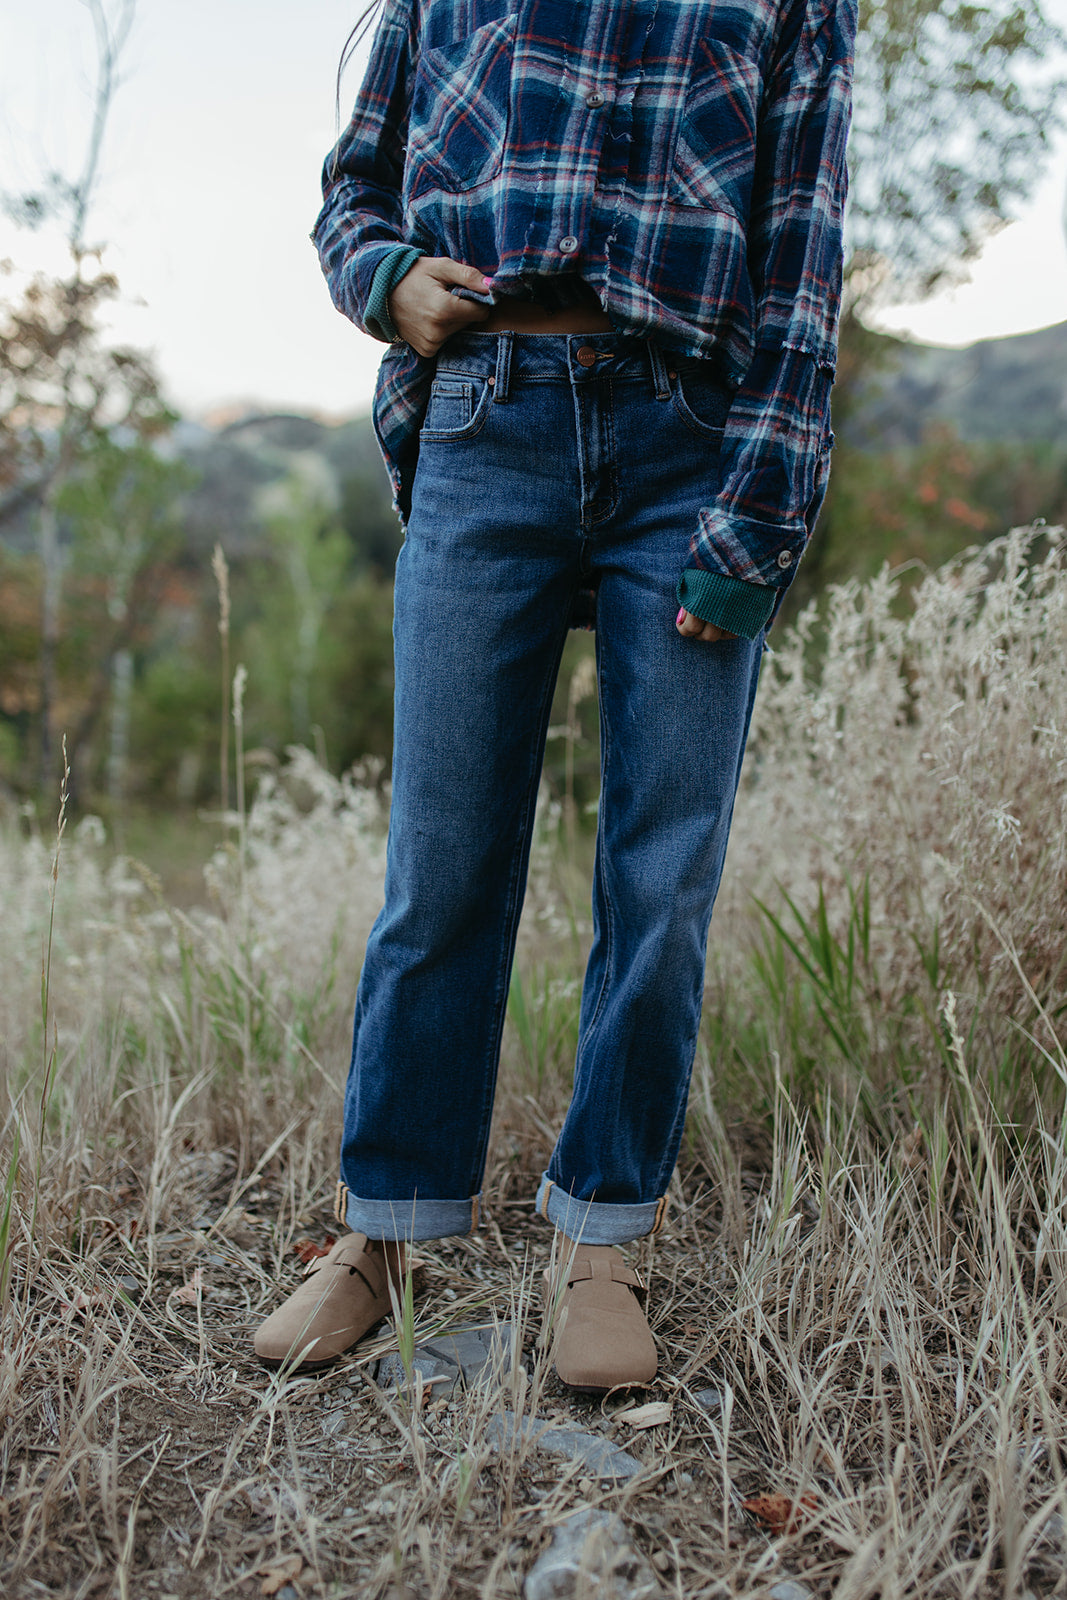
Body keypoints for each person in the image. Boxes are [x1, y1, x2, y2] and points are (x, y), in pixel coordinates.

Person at [255, 0, 857, 1391]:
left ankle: (603, 1244)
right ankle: (385, 1232)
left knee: (661, 877)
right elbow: (355, 187)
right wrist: (385, 277)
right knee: (443, 866)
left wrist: (763, 513)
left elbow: (804, 241)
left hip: (689, 445)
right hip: (488, 421)